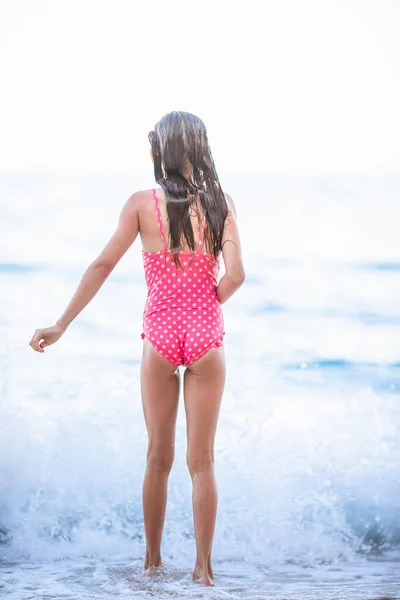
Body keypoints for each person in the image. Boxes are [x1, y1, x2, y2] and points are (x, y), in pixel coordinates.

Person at [29, 111, 245, 586]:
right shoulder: (220, 202)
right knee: (202, 461)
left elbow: (103, 264)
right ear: (200, 149)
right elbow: (235, 275)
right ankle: (204, 573)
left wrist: (61, 324)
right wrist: (211, 300)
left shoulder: (140, 204)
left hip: (161, 337)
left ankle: (151, 565)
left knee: (157, 457)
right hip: (207, 336)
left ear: (158, 151)